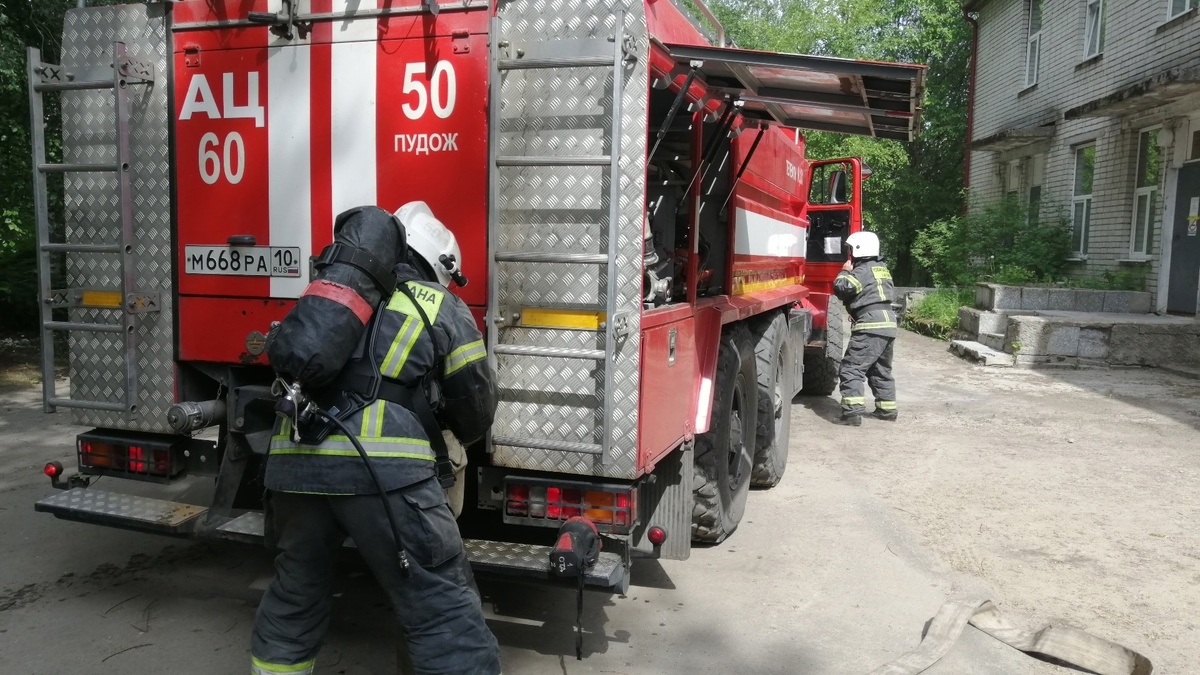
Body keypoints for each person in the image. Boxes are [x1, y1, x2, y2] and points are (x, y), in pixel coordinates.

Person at [251, 203, 501, 675]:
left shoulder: (326, 300)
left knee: (293, 594)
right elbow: (476, 406)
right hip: (385, 479)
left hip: (293, 467)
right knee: (440, 607)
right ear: (438, 264)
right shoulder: (439, 305)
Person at [832, 230, 897, 426]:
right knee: (880, 370)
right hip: (888, 323)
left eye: (851, 249)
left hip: (870, 324)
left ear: (859, 249)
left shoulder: (861, 270)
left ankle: (851, 414)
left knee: (852, 369)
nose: (849, 253)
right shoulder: (882, 268)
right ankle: (887, 410)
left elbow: (841, 288)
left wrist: (844, 271)